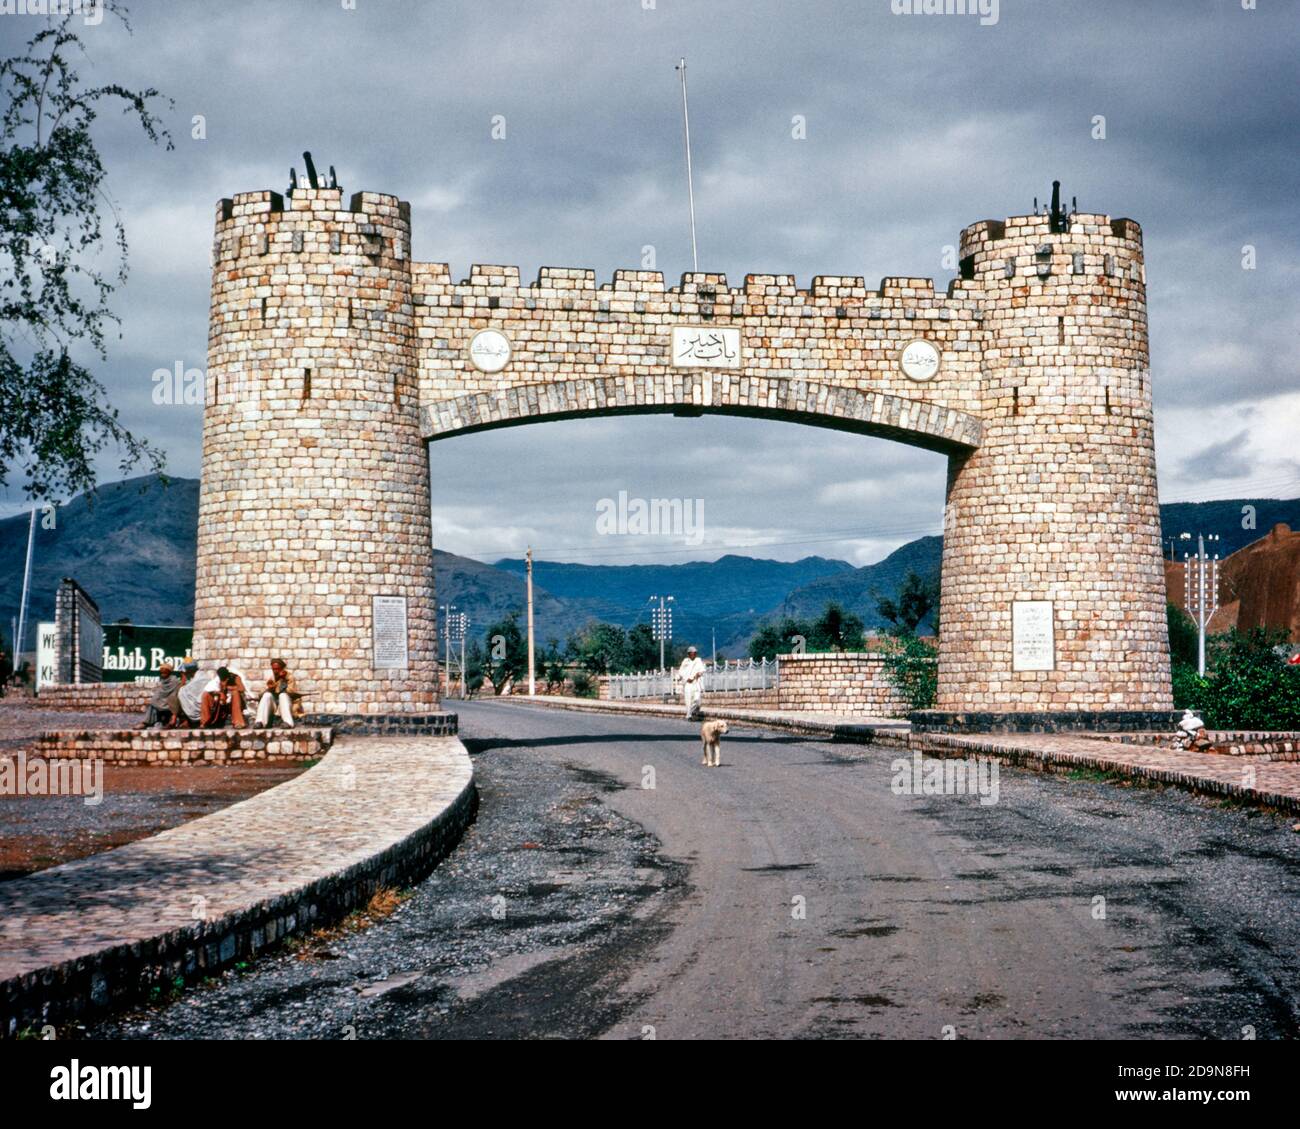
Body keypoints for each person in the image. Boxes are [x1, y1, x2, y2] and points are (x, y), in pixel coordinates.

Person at [255, 658, 302, 729]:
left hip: (287, 703)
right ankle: (260, 722)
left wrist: (282, 681)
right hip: (274, 706)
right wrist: (269, 689)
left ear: (282, 668)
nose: (275, 671)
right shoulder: (270, 678)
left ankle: (288, 722)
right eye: (273, 669)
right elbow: (260, 695)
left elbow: (291, 692)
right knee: (267, 695)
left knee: (283, 695)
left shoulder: (289, 677)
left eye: (277, 669)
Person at [138, 663, 181, 728]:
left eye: (165, 671)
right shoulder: (163, 681)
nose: (163, 673)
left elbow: (175, 693)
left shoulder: (174, 681)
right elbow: (161, 693)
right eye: (161, 671)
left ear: (169, 672)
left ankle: (172, 721)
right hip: (162, 701)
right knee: (153, 701)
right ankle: (145, 723)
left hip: (170, 702)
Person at [678, 645, 706, 719]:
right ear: (689, 654)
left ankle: (689, 713)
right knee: (688, 700)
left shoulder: (698, 661)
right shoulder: (685, 661)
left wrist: (698, 674)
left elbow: (702, 670)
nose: (693, 654)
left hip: (696, 683)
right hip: (688, 683)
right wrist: (685, 678)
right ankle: (689, 715)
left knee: (697, 700)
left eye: (695, 653)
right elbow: (681, 672)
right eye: (692, 653)